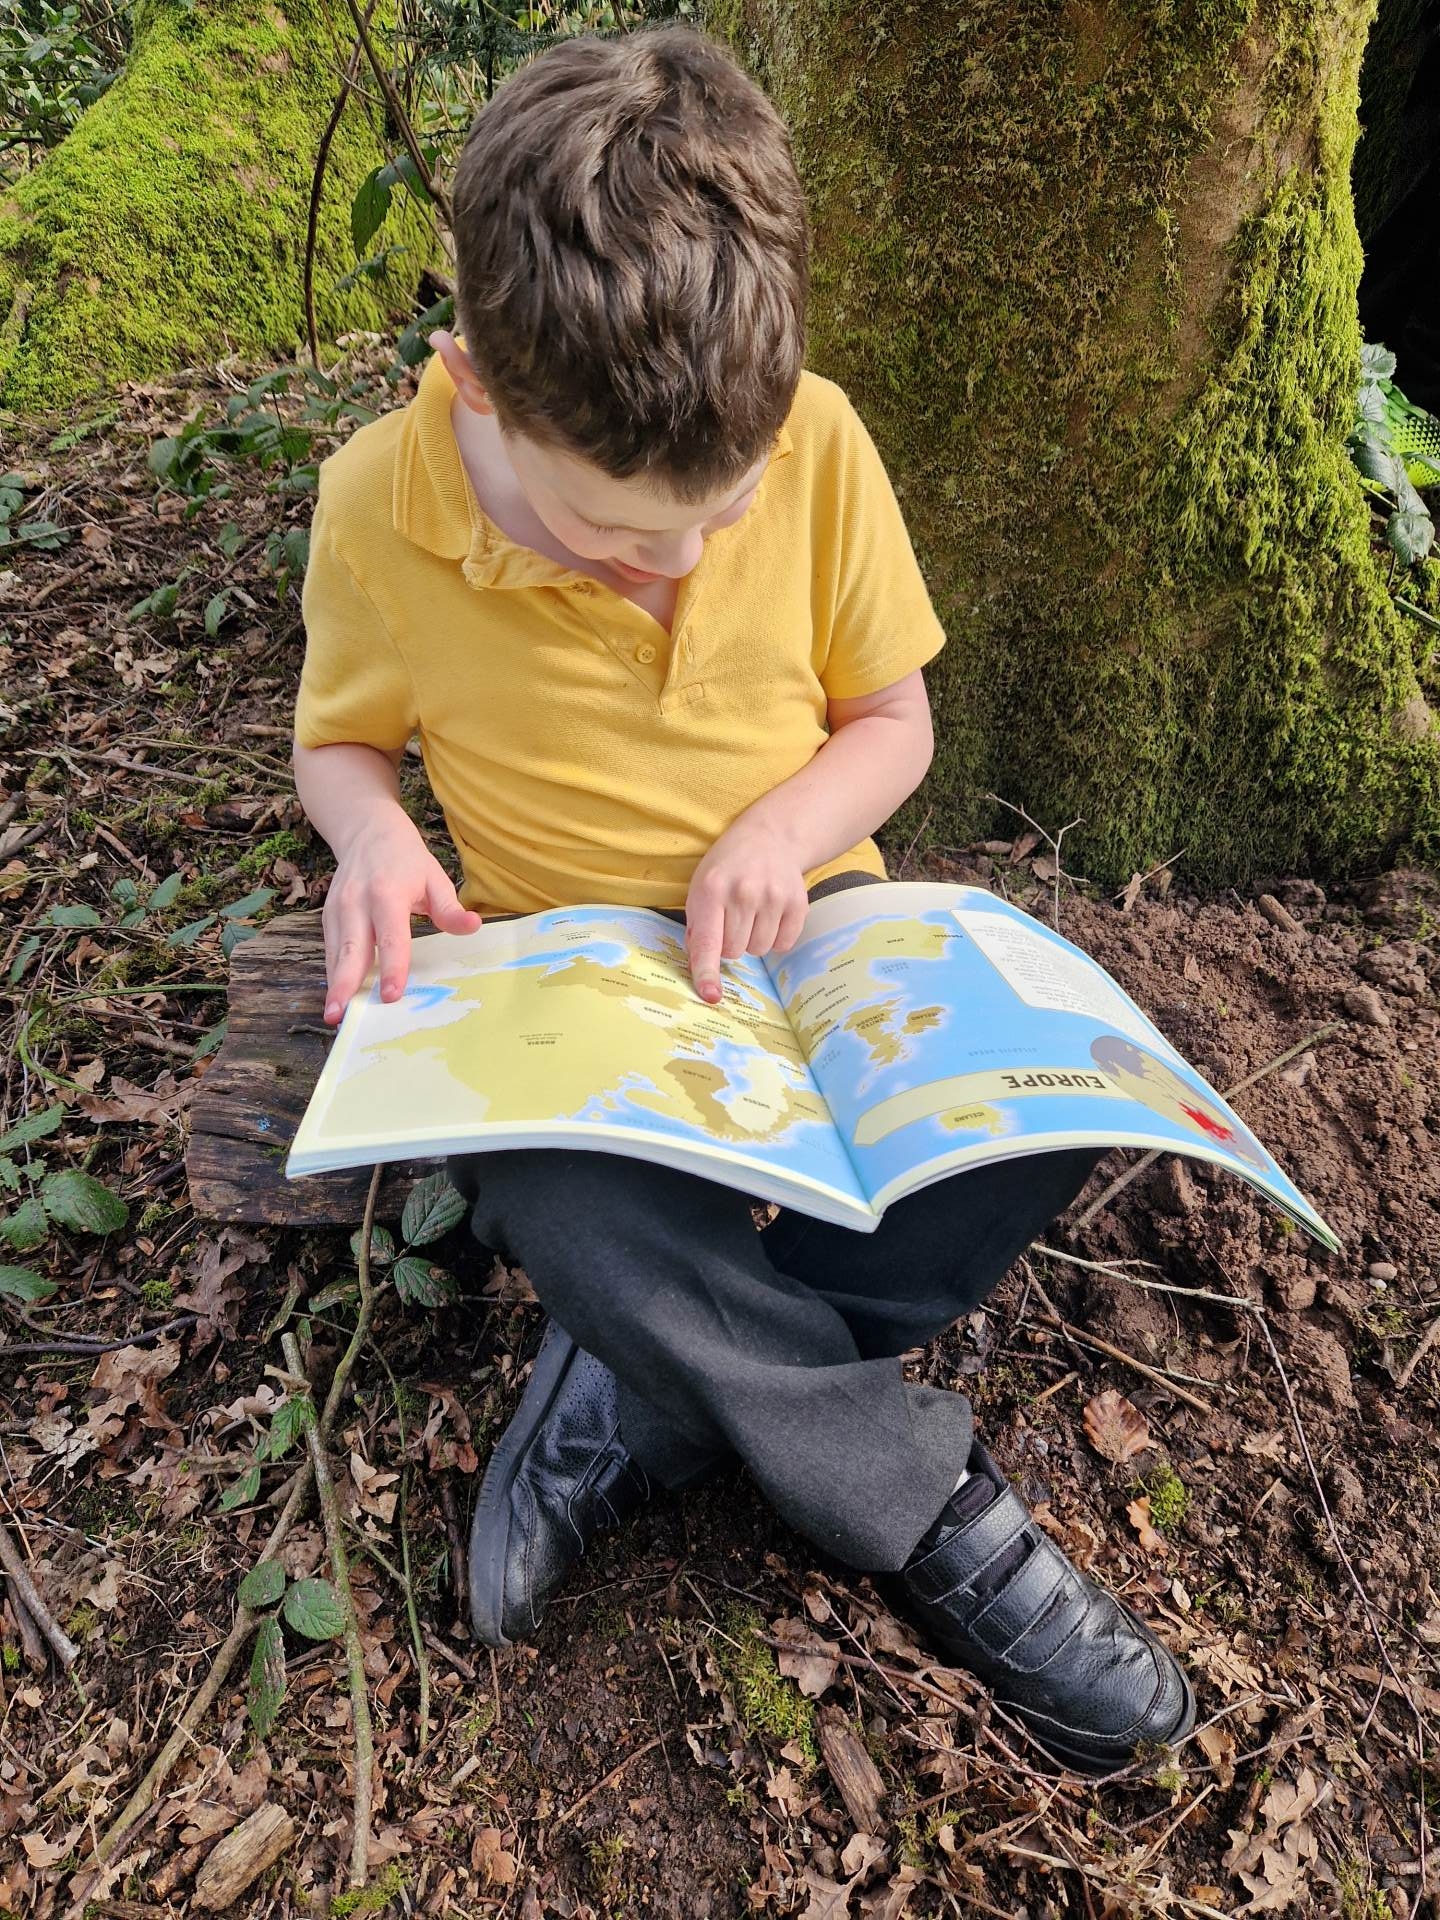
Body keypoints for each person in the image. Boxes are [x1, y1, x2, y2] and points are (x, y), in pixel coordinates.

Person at [292, 26, 1194, 1775]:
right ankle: (927, 1513)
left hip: (810, 957)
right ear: (478, 381)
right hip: (573, 1010)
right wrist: (374, 839)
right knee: (555, 1191)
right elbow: (340, 747)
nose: (681, 561)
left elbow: (894, 722)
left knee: (1045, 1116)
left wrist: (784, 829)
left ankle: (648, 1383)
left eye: (724, 511)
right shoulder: (378, 506)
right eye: (618, 531)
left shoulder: (824, 440)